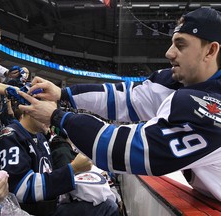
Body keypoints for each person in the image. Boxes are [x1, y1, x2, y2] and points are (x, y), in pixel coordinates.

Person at [17, 7, 221, 202]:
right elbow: (126, 97)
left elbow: (124, 150)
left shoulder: (210, 107)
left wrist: (57, 117)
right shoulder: (180, 81)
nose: (169, 53)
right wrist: (63, 93)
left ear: (211, 51)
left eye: (181, 44)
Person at [0, 107, 119, 216]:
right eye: (45, 110)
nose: (50, 117)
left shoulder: (40, 137)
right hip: (24, 211)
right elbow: (21, 190)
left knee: (105, 200)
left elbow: (47, 175)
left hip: (46, 207)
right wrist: (73, 169)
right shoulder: (9, 137)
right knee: (107, 208)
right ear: (28, 109)